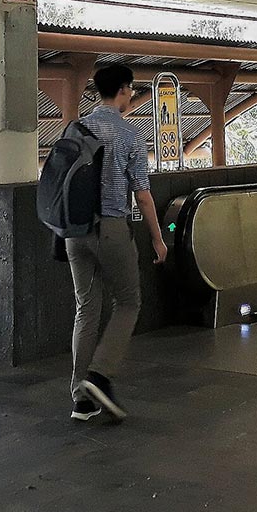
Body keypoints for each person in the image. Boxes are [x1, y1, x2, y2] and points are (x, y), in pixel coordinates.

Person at [67, 63, 167, 423]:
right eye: (131, 90)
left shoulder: (76, 128)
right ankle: (98, 375)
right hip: (110, 228)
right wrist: (157, 238)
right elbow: (141, 195)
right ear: (123, 90)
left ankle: (81, 399)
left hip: (74, 232)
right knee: (128, 302)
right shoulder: (129, 135)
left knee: (86, 309)